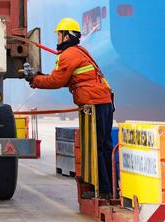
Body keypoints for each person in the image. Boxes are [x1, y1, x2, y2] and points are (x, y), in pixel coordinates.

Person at [22, 18, 114, 199]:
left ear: (66, 36)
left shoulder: (69, 55)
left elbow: (57, 81)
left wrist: (34, 79)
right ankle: (106, 188)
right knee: (103, 146)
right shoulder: (80, 51)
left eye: (59, 34)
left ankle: (103, 190)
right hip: (102, 101)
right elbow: (70, 79)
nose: (57, 38)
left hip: (95, 104)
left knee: (98, 147)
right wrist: (40, 77)